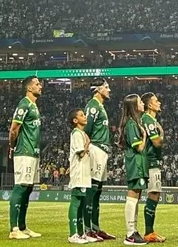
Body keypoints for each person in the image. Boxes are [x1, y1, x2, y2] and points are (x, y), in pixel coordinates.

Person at [8, 76, 43, 239]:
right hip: (24, 151)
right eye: (37, 84)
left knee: (28, 188)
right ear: (29, 88)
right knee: (21, 186)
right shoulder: (23, 104)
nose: (40, 86)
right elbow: (14, 128)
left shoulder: (33, 106)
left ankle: (22, 226)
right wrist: (12, 145)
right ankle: (14, 229)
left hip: (33, 152)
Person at [83, 78, 115, 241]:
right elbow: (86, 130)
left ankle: (95, 228)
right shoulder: (93, 106)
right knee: (92, 190)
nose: (109, 90)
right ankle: (87, 229)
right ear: (97, 89)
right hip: (95, 149)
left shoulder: (99, 106)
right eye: (106, 87)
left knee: (98, 191)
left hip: (102, 150)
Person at [118, 94, 148, 246]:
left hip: (139, 163)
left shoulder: (135, 122)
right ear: (135, 106)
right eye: (140, 102)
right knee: (133, 196)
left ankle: (134, 230)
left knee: (136, 197)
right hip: (135, 164)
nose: (143, 103)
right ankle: (130, 233)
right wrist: (144, 136)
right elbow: (139, 147)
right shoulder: (131, 124)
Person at [141, 92, 166, 243]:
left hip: (152, 161)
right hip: (150, 162)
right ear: (149, 105)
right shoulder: (148, 119)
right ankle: (148, 232)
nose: (159, 103)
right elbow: (157, 142)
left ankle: (150, 231)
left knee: (154, 194)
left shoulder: (149, 119)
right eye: (156, 101)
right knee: (153, 194)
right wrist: (161, 134)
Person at [67, 108, 92, 244]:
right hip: (79, 172)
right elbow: (81, 153)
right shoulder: (76, 133)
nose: (85, 116)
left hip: (84, 172)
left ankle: (81, 233)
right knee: (76, 201)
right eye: (82, 115)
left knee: (82, 203)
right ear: (75, 120)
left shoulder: (81, 133)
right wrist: (87, 143)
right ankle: (73, 234)